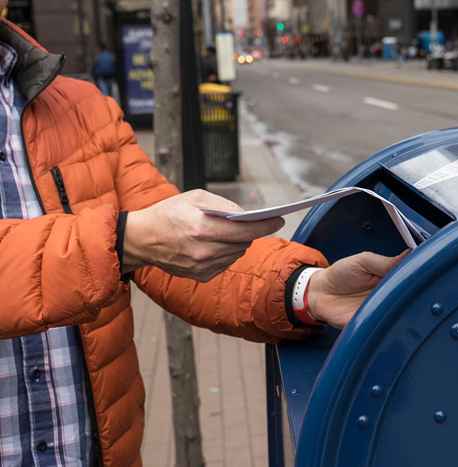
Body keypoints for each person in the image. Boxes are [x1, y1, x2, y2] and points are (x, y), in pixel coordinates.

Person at [0, 11, 401, 467]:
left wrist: (305, 290)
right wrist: (121, 241)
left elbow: (171, 248)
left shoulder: (79, 107)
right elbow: (134, 238)